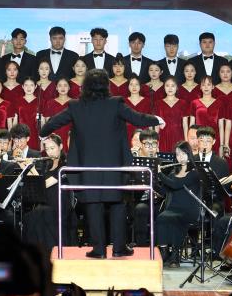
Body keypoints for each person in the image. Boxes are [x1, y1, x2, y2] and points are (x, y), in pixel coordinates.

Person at [39, 68, 164, 258]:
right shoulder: (116, 103)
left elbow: (54, 122)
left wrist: (43, 133)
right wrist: (157, 119)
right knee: (118, 204)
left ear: (85, 86)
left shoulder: (75, 106)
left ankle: (98, 250)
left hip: (87, 168)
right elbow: (137, 118)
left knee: (93, 205)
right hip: (114, 167)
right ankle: (119, 248)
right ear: (106, 85)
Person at [23, 134, 75, 252]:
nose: (50, 152)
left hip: (60, 204)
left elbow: (46, 184)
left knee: (38, 215)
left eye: (52, 148)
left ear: (60, 146)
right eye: (47, 149)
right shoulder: (47, 164)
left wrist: (32, 169)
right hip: (46, 202)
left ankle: (51, 249)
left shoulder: (65, 164)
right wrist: (27, 166)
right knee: (29, 217)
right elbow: (38, 182)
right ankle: (37, 251)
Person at [155, 142, 202, 267]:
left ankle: (175, 254)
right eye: (177, 154)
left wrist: (160, 174)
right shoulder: (173, 173)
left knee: (176, 219)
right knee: (161, 217)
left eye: (183, 154)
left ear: (189, 154)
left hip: (189, 210)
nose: (180, 157)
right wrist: (152, 180)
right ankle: (165, 251)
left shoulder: (194, 173)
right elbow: (164, 191)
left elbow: (176, 185)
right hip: (173, 208)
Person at [154, 77, 190, 154]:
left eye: (173, 86)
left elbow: (185, 124)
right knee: (163, 158)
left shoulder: (183, 103)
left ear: (177, 88)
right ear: (164, 87)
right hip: (163, 136)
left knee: (179, 157)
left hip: (178, 135)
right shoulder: (158, 103)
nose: (170, 88)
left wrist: (186, 141)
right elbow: (157, 125)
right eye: (167, 85)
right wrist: (156, 142)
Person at [41, 78, 73, 148]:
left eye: (65, 85)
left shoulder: (75, 103)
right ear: (56, 88)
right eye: (60, 85)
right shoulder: (50, 103)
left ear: (69, 87)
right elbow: (47, 124)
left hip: (71, 138)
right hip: (54, 139)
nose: (63, 88)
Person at [11, 76, 41, 144]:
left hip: (36, 135)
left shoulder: (40, 101)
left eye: (31, 85)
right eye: (26, 85)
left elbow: (43, 122)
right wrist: (14, 139)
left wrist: (43, 138)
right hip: (20, 135)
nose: (29, 88)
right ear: (22, 86)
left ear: (36, 86)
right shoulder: (17, 101)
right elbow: (15, 121)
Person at [124, 77, 152, 143]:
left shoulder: (147, 102)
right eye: (131, 84)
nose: (134, 87)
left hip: (143, 134)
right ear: (128, 86)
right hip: (126, 134)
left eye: (136, 84)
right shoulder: (123, 102)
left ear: (140, 86)